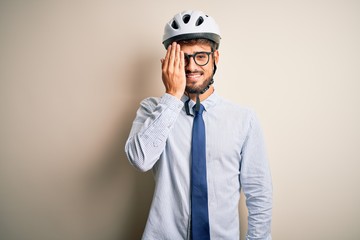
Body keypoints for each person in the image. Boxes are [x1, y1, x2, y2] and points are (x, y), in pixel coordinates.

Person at [125, 10, 272, 240]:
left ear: (216, 58)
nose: (191, 67)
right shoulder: (152, 110)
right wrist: (172, 96)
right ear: (169, 62)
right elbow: (140, 160)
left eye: (200, 56)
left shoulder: (244, 119)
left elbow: (259, 194)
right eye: (182, 57)